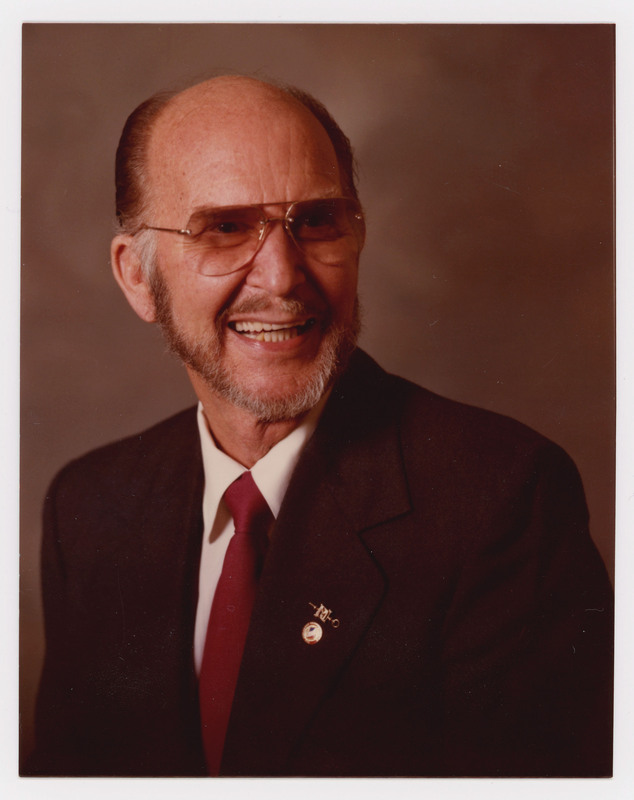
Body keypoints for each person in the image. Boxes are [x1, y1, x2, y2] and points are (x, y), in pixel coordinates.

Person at [28, 75, 613, 778]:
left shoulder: (502, 502)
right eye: (225, 228)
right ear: (136, 278)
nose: (280, 276)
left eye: (315, 221)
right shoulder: (89, 508)